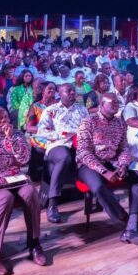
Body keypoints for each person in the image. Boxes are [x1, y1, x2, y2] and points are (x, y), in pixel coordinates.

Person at [0, 106, 46, 275]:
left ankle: (34, 243)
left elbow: (25, 159)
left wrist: (11, 139)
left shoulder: (16, 135)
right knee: (5, 198)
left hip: (14, 178)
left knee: (31, 192)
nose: (4, 121)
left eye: (5, 117)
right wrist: (12, 160)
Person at [75, 94, 138, 245]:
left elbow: (124, 148)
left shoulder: (120, 123)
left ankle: (132, 223)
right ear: (101, 104)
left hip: (113, 162)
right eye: (112, 102)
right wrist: (104, 171)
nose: (116, 104)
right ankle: (125, 219)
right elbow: (83, 152)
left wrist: (123, 164)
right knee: (98, 186)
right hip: (89, 164)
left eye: (117, 102)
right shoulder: (88, 122)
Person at [34, 84, 88, 223]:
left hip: (79, 144)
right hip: (58, 144)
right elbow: (42, 132)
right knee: (64, 156)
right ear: (60, 93)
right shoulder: (51, 110)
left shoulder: (82, 110)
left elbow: (88, 128)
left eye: (73, 91)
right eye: (68, 91)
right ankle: (52, 204)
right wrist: (62, 135)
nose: (72, 93)